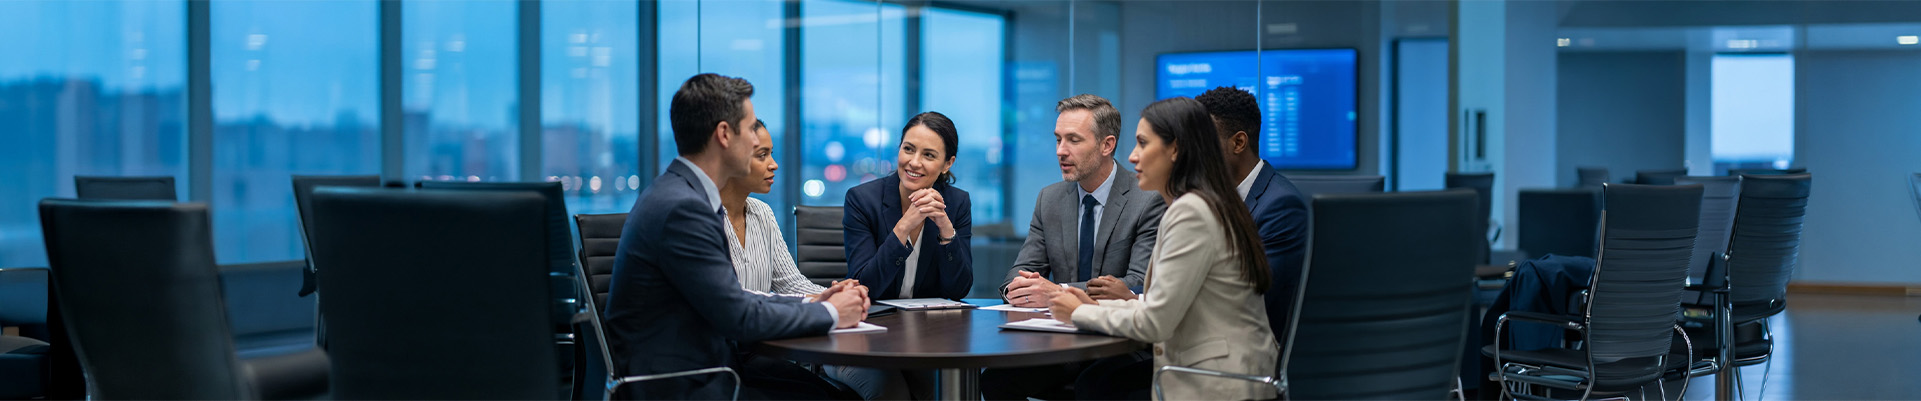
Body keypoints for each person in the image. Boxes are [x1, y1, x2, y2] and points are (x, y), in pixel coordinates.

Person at [604, 73, 869, 400]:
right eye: (750, 128)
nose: (756, 142)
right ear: (725, 135)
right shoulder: (684, 208)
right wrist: (830, 313)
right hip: (684, 384)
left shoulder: (683, 194)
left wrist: (817, 301)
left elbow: (733, 298)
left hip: (709, 368)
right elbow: (738, 316)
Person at [1049, 96, 1279, 401]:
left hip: (1217, 384)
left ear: (1175, 150)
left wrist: (1079, 313)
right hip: (1233, 377)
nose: (1132, 157)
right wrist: (1094, 306)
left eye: (1143, 143)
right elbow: (1163, 305)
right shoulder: (1210, 202)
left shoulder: (1191, 213)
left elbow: (1155, 322)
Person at [982, 94, 1166, 401]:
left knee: (1094, 386)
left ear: (1107, 145)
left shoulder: (1147, 197)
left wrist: (1055, 292)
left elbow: (1135, 283)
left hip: (1120, 341)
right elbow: (1019, 272)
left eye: (1073, 140)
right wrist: (1019, 287)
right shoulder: (1050, 199)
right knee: (995, 380)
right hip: (1061, 339)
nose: (1060, 151)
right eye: (1058, 139)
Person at [836, 111, 973, 400]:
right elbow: (865, 286)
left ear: (947, 164)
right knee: (893, 392)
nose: (914, 162)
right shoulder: (862, 200)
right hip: (861, 340)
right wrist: (904, 227)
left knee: (945, 388)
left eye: (928, 154)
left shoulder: (957, 203)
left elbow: (958, 289)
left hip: (924, 340)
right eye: (908, 149)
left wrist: (946, 228)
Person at [1193, 86, 1309, 335]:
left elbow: (1250, 302)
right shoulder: (1211, 197)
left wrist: (1140, 301)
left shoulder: (1282, 208)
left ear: (1238, 142)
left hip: (1246, 353)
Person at [720, 119, 831, 296]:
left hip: (763, 322)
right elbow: (729, 300)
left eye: (771, 154)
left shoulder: (763, 212)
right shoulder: (702, 217)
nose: (774, 164)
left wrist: (833, 295)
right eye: (762, 155)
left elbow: (790, 283)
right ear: (733, 158)